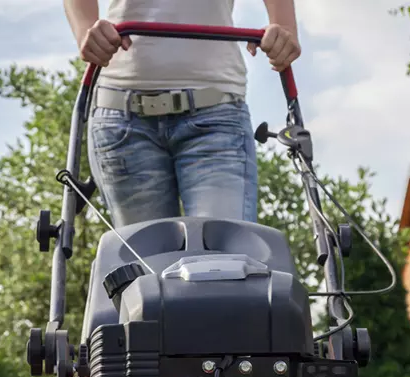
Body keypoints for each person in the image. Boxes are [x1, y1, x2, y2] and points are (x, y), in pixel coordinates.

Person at [63, 0, 301, 228]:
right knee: (144, 261)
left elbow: (284, 30)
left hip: (215, 116)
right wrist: (86, 30)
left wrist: (285, 29)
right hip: (122, 120)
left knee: (225, 259)